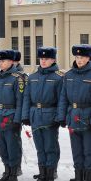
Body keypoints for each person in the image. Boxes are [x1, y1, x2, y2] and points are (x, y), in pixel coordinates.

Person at [22, 47, 63, 181]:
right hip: (35, 115)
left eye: (46, 59)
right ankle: (42, 171)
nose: (43, 61)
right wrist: (25, 115)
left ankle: (51, 172)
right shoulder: (32, 77)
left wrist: (59, 117)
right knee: (39, 146)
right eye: (41, 59)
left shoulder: (58, 77)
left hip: (50, 115)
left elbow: (61, 100)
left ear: (53, 60)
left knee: (50, 146)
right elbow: (27, 97)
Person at [56, 44, 91, 181]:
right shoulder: (68, 75)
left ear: (88, 58)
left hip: (87, 116)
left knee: (88, 150)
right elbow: (63, 98)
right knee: (76, 150)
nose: (79, 60)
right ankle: (78, 176)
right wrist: (61, 117)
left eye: (82, 57)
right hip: (73, 116)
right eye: (77, 57)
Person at [0, 50, 23, 181]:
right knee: (2, 147)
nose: (0, 63)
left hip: (11, 116)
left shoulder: (17, 78)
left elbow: (20, 101)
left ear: (11, 61)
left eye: (3, 61)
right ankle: (7, 171)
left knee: (12, 146)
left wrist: (17, 119)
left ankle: (14, 173)